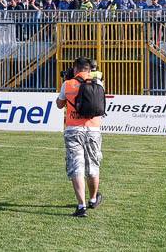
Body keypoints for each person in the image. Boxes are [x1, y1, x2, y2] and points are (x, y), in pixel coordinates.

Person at [56, 57, 105, 217]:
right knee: (93, 166)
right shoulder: (98, 83)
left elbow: (59, 104)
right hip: (93, 129)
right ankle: (92, 199)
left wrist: (68, 80)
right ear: (89, 69)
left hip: (73, 129)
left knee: (76, 165)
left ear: (75, 68)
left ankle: (81, 206)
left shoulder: (68, 84)